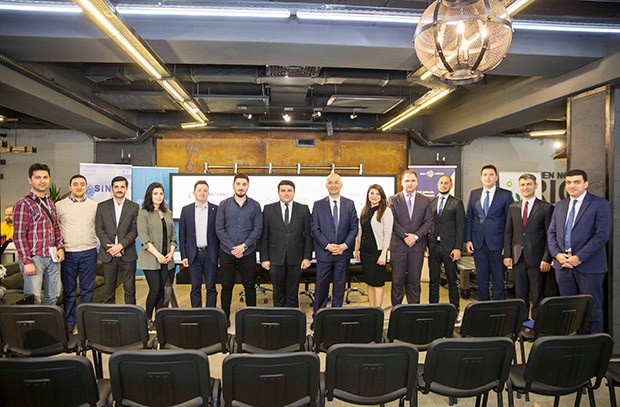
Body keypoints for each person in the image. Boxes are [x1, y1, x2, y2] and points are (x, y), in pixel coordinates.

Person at [547, 169, 611, 333]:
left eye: (577, 182)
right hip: (563, 266)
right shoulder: (560, 205)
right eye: (568, 182)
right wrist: (557, 255)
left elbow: (601, 235)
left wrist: (579, 257)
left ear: (586, 184)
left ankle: (592, 345)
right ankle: (572, 343)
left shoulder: (599, 204)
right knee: (569, 310)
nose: (572, 186)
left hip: (589, 266)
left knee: (592, 310)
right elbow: (551, 232)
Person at [503, 173, 554, 319]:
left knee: (537, 295)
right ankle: (522, 323)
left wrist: (547, 258)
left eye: (529, 184)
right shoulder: (513, 207)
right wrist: (508, 255)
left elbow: (549, 235)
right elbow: (508, 232)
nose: (525, 188)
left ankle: (537, 325)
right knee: (520, 295)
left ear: (536, 186)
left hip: (537, 260)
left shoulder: (546, 207)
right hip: (518, 258)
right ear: (519, 187)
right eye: (523, 185)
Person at [13, 163, 64, 304]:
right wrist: (27, 261)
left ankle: (47, 319)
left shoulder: (51, 203)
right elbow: (19, 235)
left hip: (52, 257)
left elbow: (56, 227)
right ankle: (34, 321)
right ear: (30, 180)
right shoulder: (23, 203)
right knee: (33, 298)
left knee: (54, 295)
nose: (42, 181)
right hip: (34, 258)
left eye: (45, 177)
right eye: (38, 177)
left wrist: (60, 247)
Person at [215, 174, 263, 325]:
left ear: (248, 186)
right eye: (238, 184)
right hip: (227, 252)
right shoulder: (224, 205)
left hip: (247, 252)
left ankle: (251, 318)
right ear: (233, 185)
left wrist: (244, 246)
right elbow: (219, 228)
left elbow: (258, 229)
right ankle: (225, 317)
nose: (241, 187)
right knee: (226, 285)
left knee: (249, 285)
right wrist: (232, 247)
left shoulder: (255, 205)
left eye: (244, 184)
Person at [311, 173, 358, 316]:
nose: (333, 185)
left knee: (339, 286)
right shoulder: (318, 205)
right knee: (321, 287)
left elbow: (354, 228)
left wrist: (344, 245)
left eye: (336, 182)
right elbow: (314, 228)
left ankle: (336, 316)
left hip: (343, 253)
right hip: (324, 253)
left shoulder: (349, 204)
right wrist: (327, 245)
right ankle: (318, 317)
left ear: (341, 184)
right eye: (330, 182)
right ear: (326, 185)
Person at [56, 175, 98, 332]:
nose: (79, 187)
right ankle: (70, 321)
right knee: (69, 291)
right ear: (70, 187)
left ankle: (85, 322)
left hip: (89, 252)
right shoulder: (59, 205)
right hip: (68, 253)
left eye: (82, 184)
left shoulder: (94, 206)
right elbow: (55, 228)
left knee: (88, 290)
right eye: (75, 184)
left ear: (86, 187)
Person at [260, 180, 313, 307]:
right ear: (278, 192)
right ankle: (279, 316)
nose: (286, 193)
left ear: (294, 192)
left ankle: (293, 317)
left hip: (296, 258)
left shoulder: (303, 209)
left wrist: (307, 257)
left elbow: (308, 236)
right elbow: (264, 236)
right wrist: (264, 258)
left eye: (289, 190)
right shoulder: (268, 209)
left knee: (292, 292)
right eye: (283, 190)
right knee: (278, 292)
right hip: (275, 258)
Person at [465, 164, 513, 301]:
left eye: (491, 175)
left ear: (496, 177)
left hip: (498, 244)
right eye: (485, 175)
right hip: (478, 244)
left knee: (498, 280)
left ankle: (499, 308)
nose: (488, 177)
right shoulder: (474, 194)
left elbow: (510, 222)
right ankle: (482, 307)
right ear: (481, 177)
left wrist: (507, 246)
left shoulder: (505, 195)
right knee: (481, 279)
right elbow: (469, 218)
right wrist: (468, 240)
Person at [388, 170, 432, 305]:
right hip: (398, 247)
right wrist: (406, 236)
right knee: (397, 282)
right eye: (407, 181)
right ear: (402, 183)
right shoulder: (393, 199)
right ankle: (396, 312)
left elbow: (428, 221)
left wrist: (416, 236)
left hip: (417, 247)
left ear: (417, 182)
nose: (410, 183)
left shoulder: (425, 200)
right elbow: (392, 221)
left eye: (413, 180)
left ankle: (414, 312)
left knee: (414, 282)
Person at [137, 182, 177, 329]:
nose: (159, 196)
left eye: (161, 193)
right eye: (155, 193)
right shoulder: (143, 213)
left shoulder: (168, 212)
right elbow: (144, 238)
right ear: (150, 195)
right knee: (155, 289)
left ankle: (159, 319)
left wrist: (171, 252)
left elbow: (173, 235)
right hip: (151, 259)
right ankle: (147, 319)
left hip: (167, 259)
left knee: (164, 291)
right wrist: (158, 255)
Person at [95, 176, 139, 304]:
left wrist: (120, 246)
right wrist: (111, 248)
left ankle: (131, 315)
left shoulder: (134, 207)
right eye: (116, 187)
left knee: (130, 290)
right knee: (108, 291)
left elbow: (135, 230)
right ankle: (110, 315)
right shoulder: (102, 206)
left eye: (122, 187)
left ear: (126, 188)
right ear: (112, 188)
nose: (119, 190)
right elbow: (99, 229)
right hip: (108, 254)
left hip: (127, 254)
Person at [179, 180, 219, 308]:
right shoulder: (186, 210)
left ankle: (211, 313)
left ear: (208, 193)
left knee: (211, 286)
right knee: (195, 287)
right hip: (193, 254)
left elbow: (219, 235)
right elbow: (182, 235)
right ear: (194, 193)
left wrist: (219, 256)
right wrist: (184, 255)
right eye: (199, 190)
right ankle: (196, 313)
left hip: (210, 254)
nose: (202, 193)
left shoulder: (216, 209)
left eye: (205, 190)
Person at [428, 175, 464, 315]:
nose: (443, 185)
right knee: (433, 280)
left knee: (452, 280)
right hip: (433, 247)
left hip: (450, 248)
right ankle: (433, 309)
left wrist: (458, 248)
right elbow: (428, 224)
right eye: (441, 183)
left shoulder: (456, 203)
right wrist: (426, 245)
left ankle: (455, 311)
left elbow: (460, 227)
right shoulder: (432, 202)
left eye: (446, 183)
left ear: (450, 185)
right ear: (438, 185)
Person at [354, 184, 393, 308]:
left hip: (377, 252)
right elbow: (360, 232)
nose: (374, 196)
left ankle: (378, 311)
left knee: (377, 283)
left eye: (377, 194)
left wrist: (383, 254)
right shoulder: (364, 210)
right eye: (372, 193)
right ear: (368, 195)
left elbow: (387, 234)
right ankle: (372, 310)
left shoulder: (386, 211)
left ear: (382, 196)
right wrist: (356, 249)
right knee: (370, 282)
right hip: (365, 252)